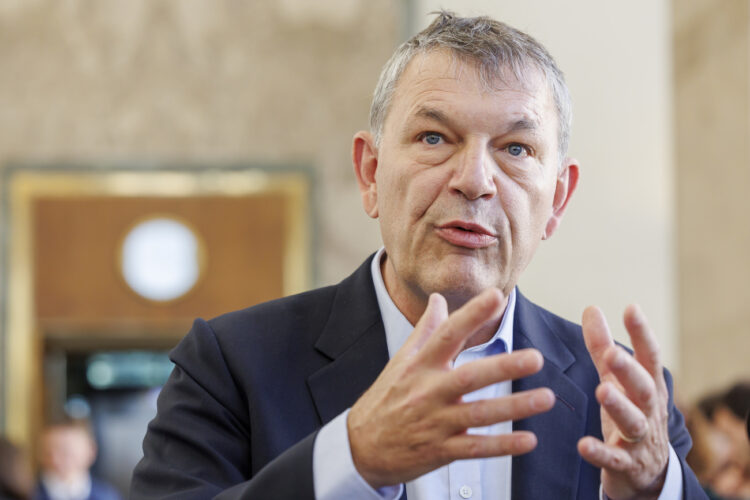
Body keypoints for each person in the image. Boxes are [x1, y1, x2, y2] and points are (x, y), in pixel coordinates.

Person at [131, 11, 706, 499]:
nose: (475, 180)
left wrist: (658, 487)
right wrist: (351, 460)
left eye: (515, 148)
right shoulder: (230, 366)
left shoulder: (622, 394)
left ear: (557, 200)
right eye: (435, 138)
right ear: (371, 171)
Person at [34, 419, 121, 500]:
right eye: (48, 452)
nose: (55, 459)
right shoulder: (29, 493)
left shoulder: (107, 495)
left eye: (66, 452)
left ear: (91, 451)